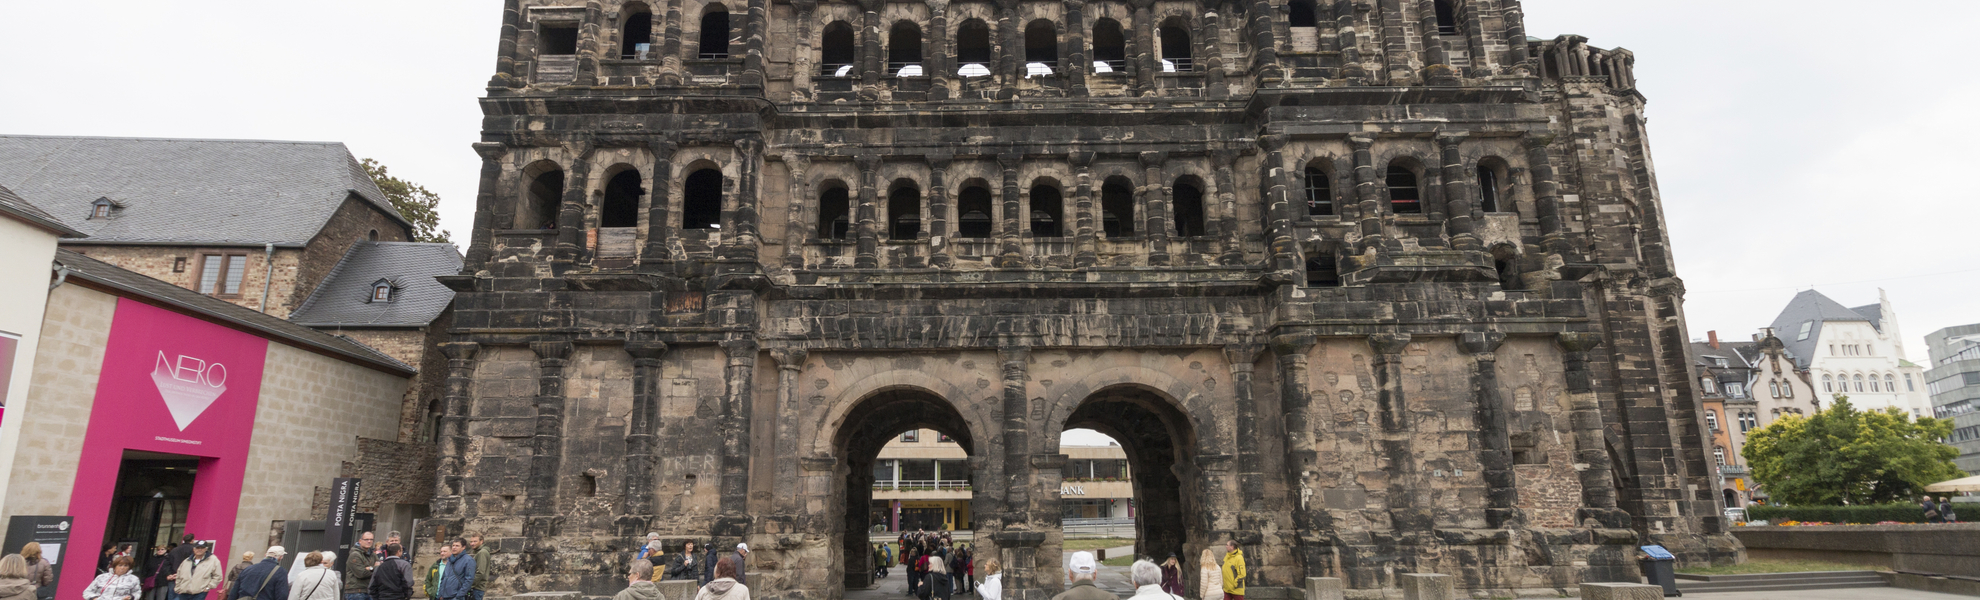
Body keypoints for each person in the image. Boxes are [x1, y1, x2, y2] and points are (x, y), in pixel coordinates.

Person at [162, 535, 197, 600]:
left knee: (171, 596)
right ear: (192, 540)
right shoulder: (194, 550)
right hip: (186, 578)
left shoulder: (174, 550)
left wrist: (169, 574)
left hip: (173, 577)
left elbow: (166, 563)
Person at [345, 532, 377, 600]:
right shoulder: (355, 554)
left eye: (371, 539)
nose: (369, 541)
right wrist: (374, 567)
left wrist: (369, 569)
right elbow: (361, 574)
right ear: (360, 541)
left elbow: (381, 569)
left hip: (370, 590)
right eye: (366, 539)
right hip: (356, 592)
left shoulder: (373, 555)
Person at [465, 533, 491, 600]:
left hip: (477, 588)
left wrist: (470, 585)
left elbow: (480, 572)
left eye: (475, 541)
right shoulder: (478, 552)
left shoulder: (482, 552)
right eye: (471, 541)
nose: (472, 544)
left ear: (481, 541)